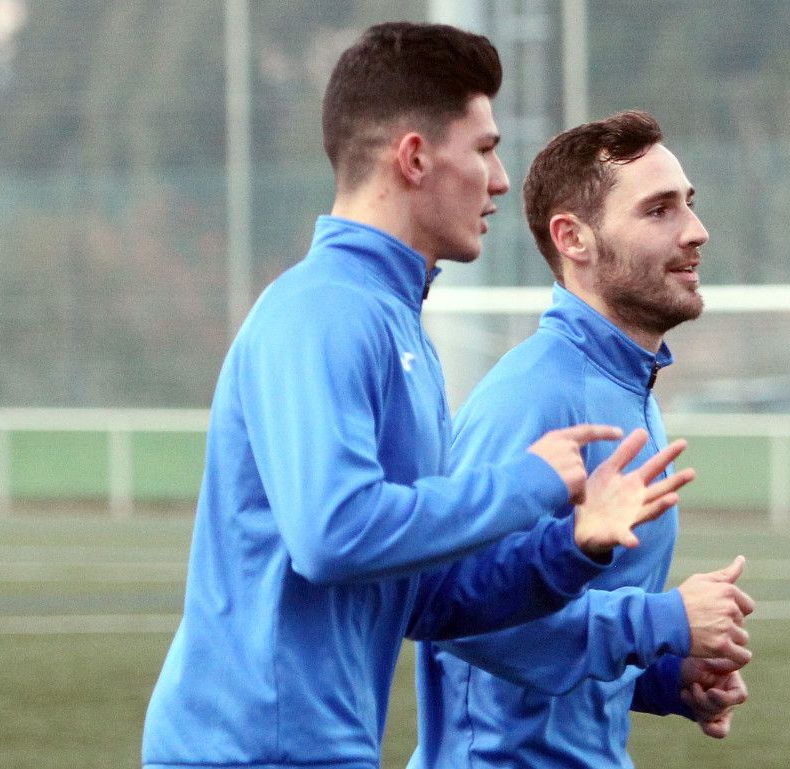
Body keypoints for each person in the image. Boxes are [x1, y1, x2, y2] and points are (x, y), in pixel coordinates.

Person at [141, 25, 696, 769]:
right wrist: (525, 484)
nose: (501, 179)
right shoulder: (323, 310)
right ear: (413, 158)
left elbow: (431, 599)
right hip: (248, 753)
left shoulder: (396, 325)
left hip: (322, 751)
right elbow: (332, 532)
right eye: (485, 148)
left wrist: (572, 546)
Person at [409, 111, 752, 769]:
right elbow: (458, 613)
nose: (696, 231)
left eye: (689, 204)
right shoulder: (533, 396)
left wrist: (664, 678)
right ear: (574, 238)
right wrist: (663, 623)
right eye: (659, 210)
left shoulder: (627, 386)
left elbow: (559, 625)